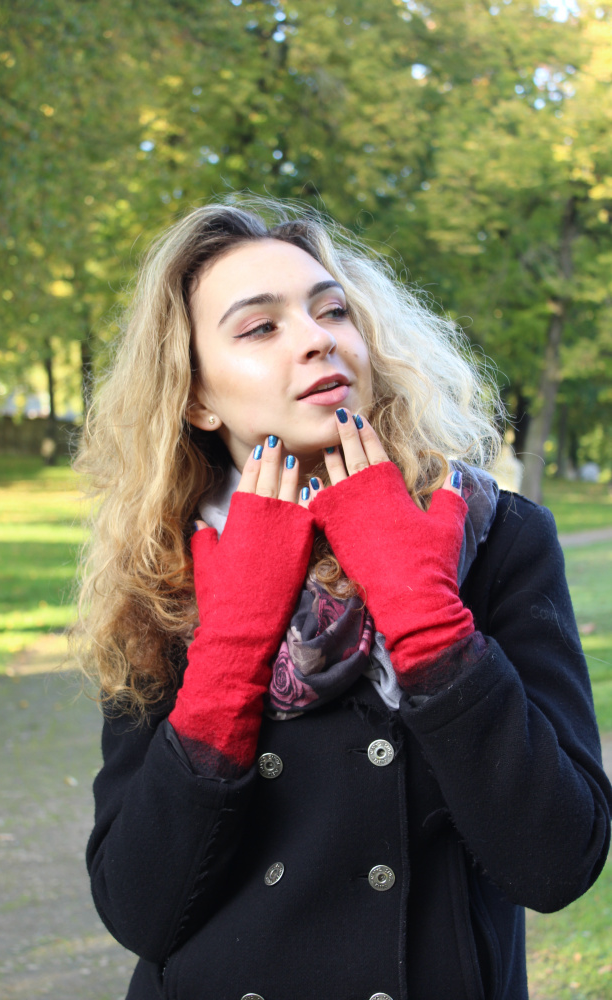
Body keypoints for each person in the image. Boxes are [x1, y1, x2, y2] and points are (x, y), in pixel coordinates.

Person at [74, 198, 611, 1000]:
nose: (319, 337)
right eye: (261, 328)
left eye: (332, 311)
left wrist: (425, 613)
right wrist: (233, 640)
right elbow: (137, 907)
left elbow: (559, 859)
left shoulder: (496, 537)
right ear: (196, 397)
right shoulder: (167, 569)